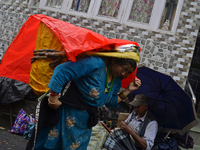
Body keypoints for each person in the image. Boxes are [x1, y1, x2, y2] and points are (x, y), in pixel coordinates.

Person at [26, 47, 141, 150]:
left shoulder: (116, 80)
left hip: (84, 124)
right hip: (66, 115)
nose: (124, 73)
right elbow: (62, 72)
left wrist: (128, 90)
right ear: (115, 59)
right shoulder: (95, 63)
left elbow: (109, 102)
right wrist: (53, 99)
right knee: (53, 146)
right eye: (124, 68)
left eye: (128, 72)